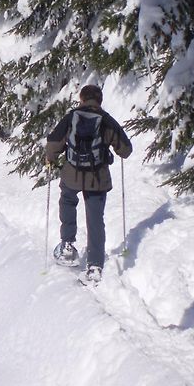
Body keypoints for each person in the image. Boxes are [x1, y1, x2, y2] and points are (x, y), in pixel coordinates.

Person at [45, 84, 132, 285]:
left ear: (81, 98)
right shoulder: (107, 120)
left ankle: (67, 245)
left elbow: (53, 143)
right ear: (100, 100)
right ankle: (94, 266)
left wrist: (50, 158)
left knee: (67, 201)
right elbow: (126, 150)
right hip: (97, 177)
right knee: (95, 219)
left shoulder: (71, 117)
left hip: (71, 173)